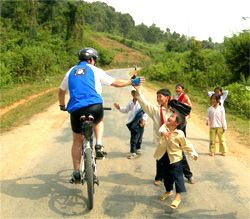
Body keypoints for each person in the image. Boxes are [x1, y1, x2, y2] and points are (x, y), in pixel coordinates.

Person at [58, 47, 145, 183]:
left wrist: (62, 106)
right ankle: (98, 144)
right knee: (98, 121)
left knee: (77, 141)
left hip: (76, 110)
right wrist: (132, 82)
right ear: (92, 60)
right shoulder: (95, 70)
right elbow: (116, 83)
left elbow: (61, 91)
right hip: (95, 107)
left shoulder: (70, 72)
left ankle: (76, 173)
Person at [134, 86, 195, 185]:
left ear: (167, 98)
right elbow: (145, 104)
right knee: (160, 159)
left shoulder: (175, 110)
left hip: (174, 141)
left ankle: (189, 175)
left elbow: (184, 119)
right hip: (161, 140)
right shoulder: (156, 110)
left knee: (181, 158)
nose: (158, 99)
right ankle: (159, 177)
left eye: (160, 97)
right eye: (157, 97)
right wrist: (138, 92)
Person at [156, 112, 198, 209]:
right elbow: (161, 128)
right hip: (165, 156)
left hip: (176, 158)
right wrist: (164, 133)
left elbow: (186, 144)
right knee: (166, 175)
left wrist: (192, 152)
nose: (169, 117)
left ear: (177, 123)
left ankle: (178, 196)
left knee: (177, 176)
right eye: (170, 115)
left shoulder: (179, 134)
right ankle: (169, 190)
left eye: (172, 117)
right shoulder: (165, 127)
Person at [114, 87, 148, 159]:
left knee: (139, 136)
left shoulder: (142, 102)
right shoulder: (131, 102)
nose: (134, 93)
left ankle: (137, 148)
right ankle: (133, 151)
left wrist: (144, 120)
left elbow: (146, 111)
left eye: (136, 92)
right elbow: (126, 110)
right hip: (132, 123)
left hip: (140, 122)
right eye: (133, 92)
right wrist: (119, 107)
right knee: (134, 137)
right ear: (131, 93)